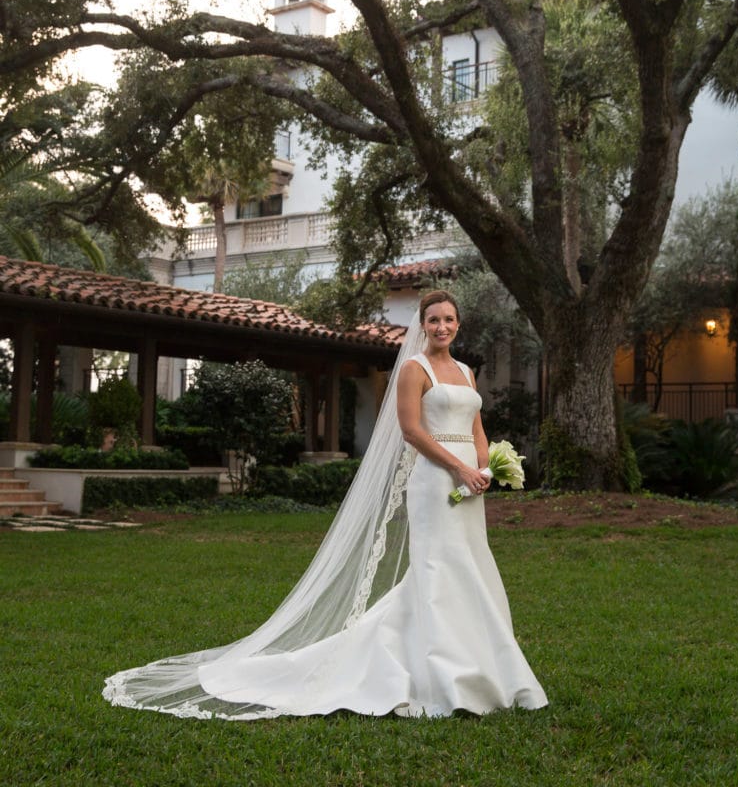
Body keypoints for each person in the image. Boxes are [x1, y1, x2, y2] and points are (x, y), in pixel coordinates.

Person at [103, 290, 547, 719]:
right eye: (433, 320)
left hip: (471, 486)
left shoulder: (467, 373)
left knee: (470, 566)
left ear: (458, 324)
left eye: (449, 319)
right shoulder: (413, 369)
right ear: (422, 325)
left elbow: (477, 428)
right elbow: (411, 432)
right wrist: (458, 468)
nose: (442, 326)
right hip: (434, 481)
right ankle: (443, 677)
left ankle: (483, 667)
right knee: (437, 568)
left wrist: (484, 468)